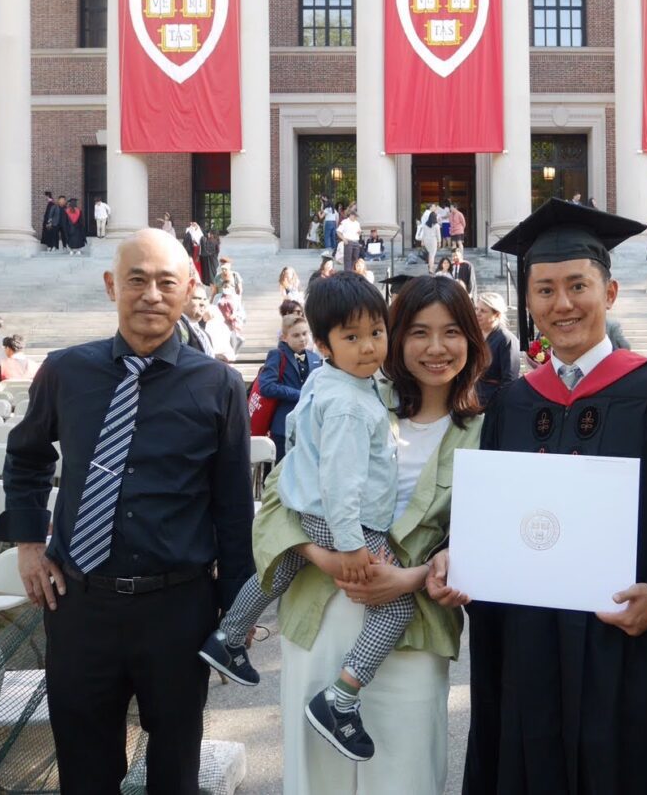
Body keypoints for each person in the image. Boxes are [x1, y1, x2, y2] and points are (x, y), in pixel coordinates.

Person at [428, 198, 647, 793]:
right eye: (544, 290)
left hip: (628, 645)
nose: (561, 304)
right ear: (529, 301)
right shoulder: (514, 404)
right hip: (530, 647)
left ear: (611, 292)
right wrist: (455, 556)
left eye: (577, 286)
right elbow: (489, 521)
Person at [0, 228, 254, 794]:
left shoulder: (219, 386)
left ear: (189, 289)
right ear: (112, 285)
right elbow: (27, 456)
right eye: (137, 280)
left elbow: (234, 508)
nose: (151, 295)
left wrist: (236, 611)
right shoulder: (66, 372)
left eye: (166, 282)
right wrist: (30, 546)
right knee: (85, 770)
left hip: (179, 608)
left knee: (174, 769)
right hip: (81, 604)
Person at [250, 275, 486, 794]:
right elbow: (277, 498)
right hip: (321, 610)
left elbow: (485, 537)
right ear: (395, 337)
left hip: (412, 630)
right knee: (319, 781)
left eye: (451, 332)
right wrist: (325, 556)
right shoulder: (349, 394)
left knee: (404, 775)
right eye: (418, 331)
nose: (436, 348)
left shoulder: (486, 429)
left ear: (472, 338)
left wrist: (412, 577)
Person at [200, 274, 407, 762]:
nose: (369, 347)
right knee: (396, 606)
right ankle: (341, 699)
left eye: (376, 332)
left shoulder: (326, 378)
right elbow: (342, 482)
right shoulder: (350, 407)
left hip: (307, 510)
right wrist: (352, 545)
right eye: (351, 337)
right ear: (323, 343)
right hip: (342, 524)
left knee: (284, 568)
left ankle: (228, 635)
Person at [257, 314, 323, 458]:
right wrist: (300, 394)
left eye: (305, 334)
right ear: (284, 337)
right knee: (280, 473)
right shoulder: (276, 355)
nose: (302, 339)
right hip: (283, 426)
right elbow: (266, 386)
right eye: (296, 335)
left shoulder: (315, 358)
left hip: (310, 426)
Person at [474, 291, 520, 407]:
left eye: (483, 311)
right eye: (476, 309)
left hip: (492, 403)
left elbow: (510, 380)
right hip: (473, 398)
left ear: (497, 315)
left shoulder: (506, 339)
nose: (477, 314)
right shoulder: (476, 335)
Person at [176, 285, 213, 355]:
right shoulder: (176, 328)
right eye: (197, 298)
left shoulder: (204, 334)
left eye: (205, 299)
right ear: (184, 301)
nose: (202, 303)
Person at [417, 205, 440, 271]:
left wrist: (422, 241)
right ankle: (431, 268)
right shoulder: (436, 225)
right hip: (433, 241)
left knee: (430, 254)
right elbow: (438, 235)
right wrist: (439, 242)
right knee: (432, 255)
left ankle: (430, 266)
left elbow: (423, 234)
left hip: (426, 240)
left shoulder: (425, 225)